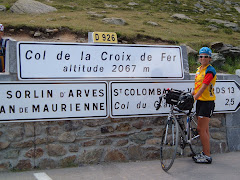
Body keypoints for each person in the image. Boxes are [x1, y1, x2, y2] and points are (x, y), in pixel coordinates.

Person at [192, 47, 217, 164]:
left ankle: (207, 155)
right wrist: (190, 94)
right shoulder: (199, 69)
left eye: (205, 56)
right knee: (204, 129)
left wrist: (194, 97)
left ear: (210, 58)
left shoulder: (210, 70)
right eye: (201, 56)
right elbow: (197, 86)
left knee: (201, 129)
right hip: (200, 102)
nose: (203, 58)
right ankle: (205, 152)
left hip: (207, 102)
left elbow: (204, 86)